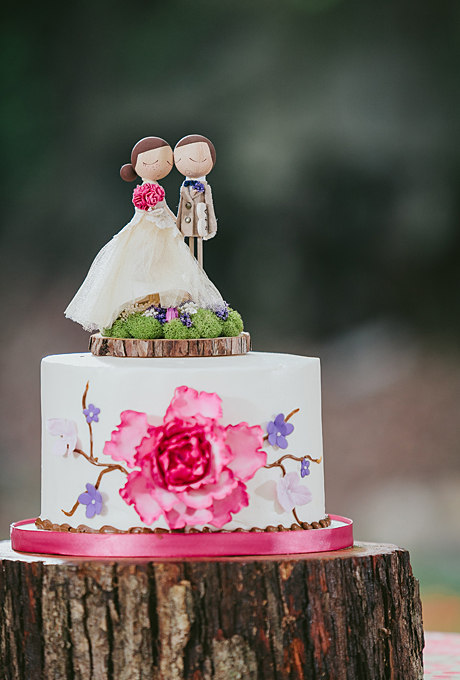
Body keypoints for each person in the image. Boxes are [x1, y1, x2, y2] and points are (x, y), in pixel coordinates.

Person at [65, 137, 224, 332]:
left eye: (166, 162)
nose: (161, 165)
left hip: (163, 229)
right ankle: (145, 304)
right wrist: (169, 221)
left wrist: (177, 223)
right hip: (147, 230)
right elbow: (147, 211)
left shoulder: (163, 189)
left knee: (169, 264)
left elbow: (166, 208)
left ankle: (165, 306)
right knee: (145, 265)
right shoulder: (142, 190)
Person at [174, 134, 217, 268]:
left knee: (199, 250)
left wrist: (212, 226)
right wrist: (178, 226)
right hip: (186, 224)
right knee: (189, 253)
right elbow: (181, 208)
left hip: (200, 223)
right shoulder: (184, 187)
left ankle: (198, 280)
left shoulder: (205, 188)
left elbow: (210, 206)